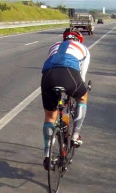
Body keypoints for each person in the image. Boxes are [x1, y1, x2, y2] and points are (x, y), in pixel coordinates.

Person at [40, 28, 91, 170]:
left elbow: (52, 63)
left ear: (64, 39)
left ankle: (47, 154)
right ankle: (75, 135)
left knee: (50, 116)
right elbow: (82, 76)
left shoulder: (54, 46)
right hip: (69, 74)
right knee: (83, 97)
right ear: (79, 39)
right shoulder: (84, 49)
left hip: (48, 76)